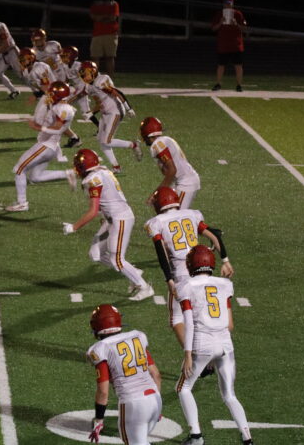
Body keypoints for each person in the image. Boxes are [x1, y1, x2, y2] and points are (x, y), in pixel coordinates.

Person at [175, 246, 254, 445]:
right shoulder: (225, 284)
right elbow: (230, 324)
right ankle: (247, 438)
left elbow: (189, 323)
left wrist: (188, 354)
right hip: (225, 343)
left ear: (191, 264)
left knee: (183, 388)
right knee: (229, 395)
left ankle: (196, 436)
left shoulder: (186, 285)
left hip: (202, 342)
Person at [144, 187, 231, 349]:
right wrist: (225, 261)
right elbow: (215, 236)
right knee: (201, 313)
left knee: (177, 319)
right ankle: (215, 348)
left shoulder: (157, 222)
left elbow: (161, 253)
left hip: (181, 274)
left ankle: (195, 353)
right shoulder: (192, 214)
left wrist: (169, 279)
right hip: (201, 269)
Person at [63, 149, 154, 301]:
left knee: (116, 259)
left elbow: (92, 211)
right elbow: (106, 199)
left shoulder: (93, 180)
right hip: (111, 218)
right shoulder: (102, 171)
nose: (76, 169)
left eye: (78, 166)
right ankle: (133, 272)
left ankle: (145, 287)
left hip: (121, 218)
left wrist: (74, 227)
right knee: (95, 254)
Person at [86, 304, 163, 445]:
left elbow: (103, 392)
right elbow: (156, 375)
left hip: (133, 403)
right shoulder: (137, 337)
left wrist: (99, 419)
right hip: (155, 399)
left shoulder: (101, 348)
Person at [6, 82, 77, 212]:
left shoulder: (63, 108)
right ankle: (67, 174)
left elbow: (57, 128)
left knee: (19, 169)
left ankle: (22, 203)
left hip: (46, 145)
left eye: (52, 93)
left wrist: (38, 128)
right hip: (49, 145)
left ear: (58, 95)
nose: (49, 95)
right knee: (35, 177)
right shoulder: (59, 106)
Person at [74, 61, 141, 174]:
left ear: (93, 71)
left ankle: (133, 145)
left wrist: (128, 107)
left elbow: (117, 93)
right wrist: (91, 113)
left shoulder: (101, 80)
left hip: (115, 110)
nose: (84, 78)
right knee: (101, 141)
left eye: (85, 74)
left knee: (107, 141)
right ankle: (116, 167)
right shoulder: (90, 86)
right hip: (105, 112)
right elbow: (100, 104)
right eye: (82, 76)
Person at [138, 117, 201, 210]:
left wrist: (156, 194)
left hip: (185, 183)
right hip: (183, 181)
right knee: (169, 211)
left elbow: (172, 170)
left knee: (176, 215)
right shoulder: (165, 139)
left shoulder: (157, 144)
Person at [210, 0, 248, 92]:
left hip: (236, 44)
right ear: (223, 4)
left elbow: (244, 28)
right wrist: (220, 22)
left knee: (238, 65)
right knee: (221, 65)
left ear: (232, 4)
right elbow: (213, 28)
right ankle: (218, 84)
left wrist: (236, 24)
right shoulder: (219, 14)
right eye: (226, 3)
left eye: (229, 4)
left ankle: (239, 85)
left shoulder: (238, 14)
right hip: (223, 44)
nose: (227, 5)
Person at [89, 0, 120, 77]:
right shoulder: (95, 4)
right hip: (97, 33)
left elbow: (113, 18)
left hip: (111, 33)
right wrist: (106, 17)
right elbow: (93, 17)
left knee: (110, 57)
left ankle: (110, 79)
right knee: (95, 57)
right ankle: (94, 78)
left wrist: (100, 17)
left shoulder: (114, 4)